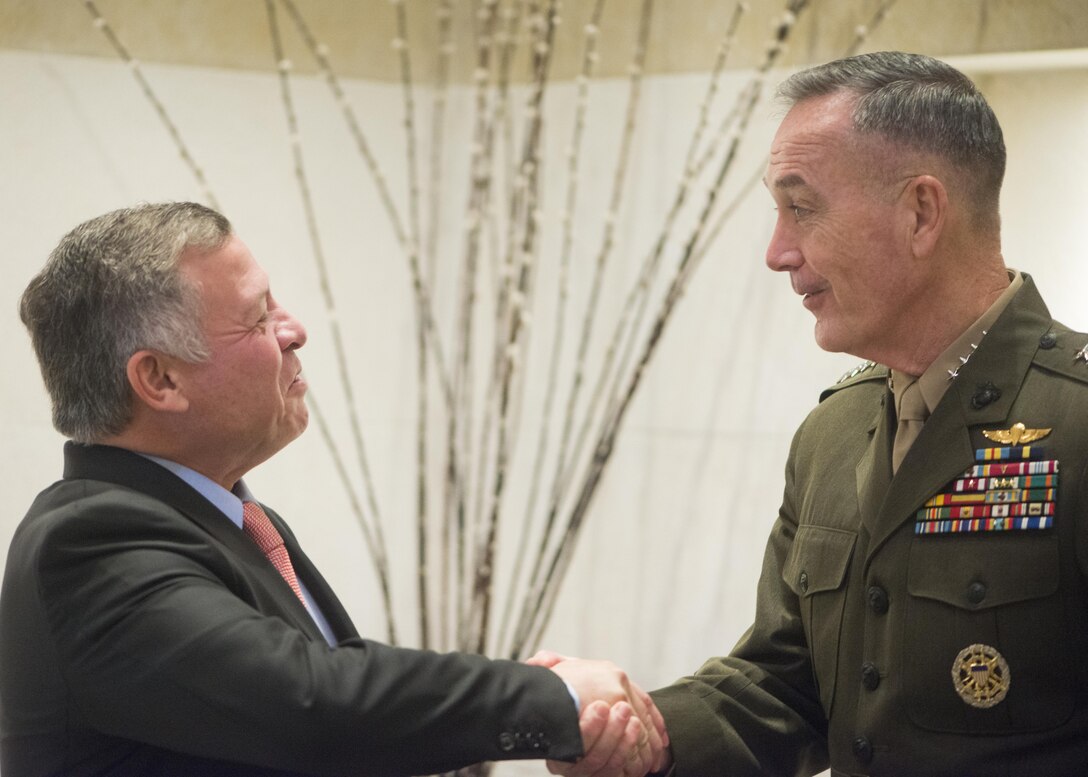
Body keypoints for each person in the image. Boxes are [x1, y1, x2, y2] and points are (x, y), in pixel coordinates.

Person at [545, 50, 1088, 776]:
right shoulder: (835, 431)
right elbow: (783, 683)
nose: (777, 251)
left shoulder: (1075, 419)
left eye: (800, 207)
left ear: (921, 213)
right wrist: (639, 734)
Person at [0, 202, 667, 777]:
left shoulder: (231, 520)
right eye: (258, 319)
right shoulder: (91, 542)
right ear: (161, 380)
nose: (295, 331)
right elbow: (308, 702)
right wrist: (552, 697)